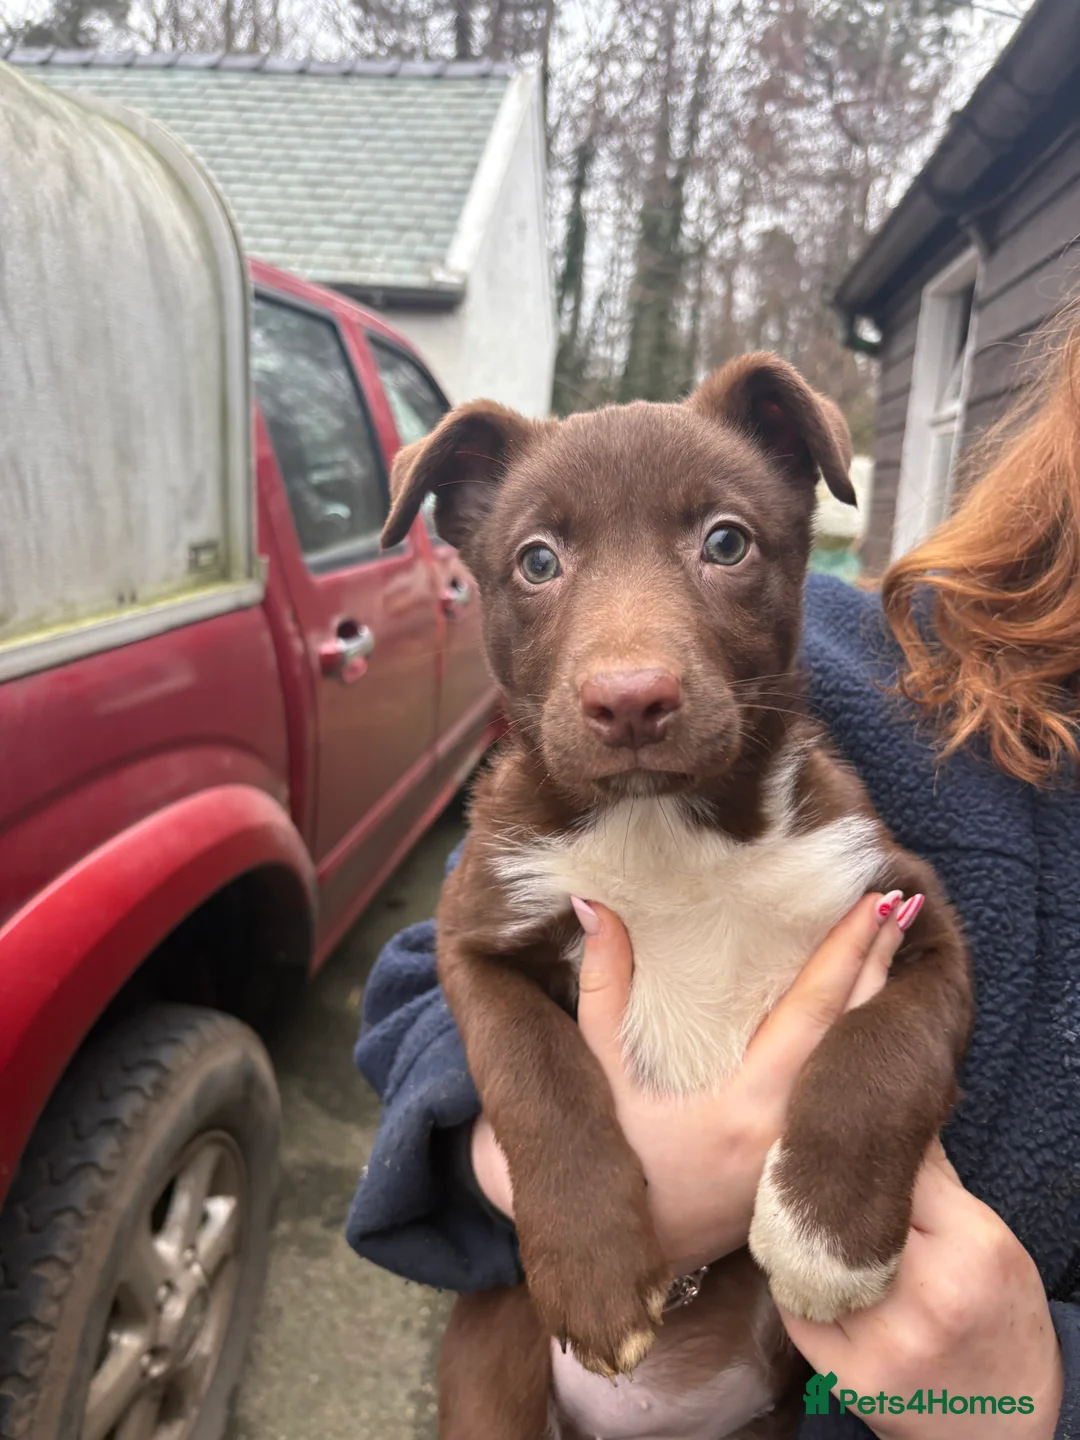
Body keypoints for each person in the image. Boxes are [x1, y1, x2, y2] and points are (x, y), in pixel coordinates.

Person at [345, 309, 1080, 1440]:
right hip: (531, 1373)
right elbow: (449, 967)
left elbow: (930, 956)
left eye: (723, 544)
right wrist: (542, 1164)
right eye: (540, 561)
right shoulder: (892, 661)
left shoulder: (833, 814)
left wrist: (1033, 1395)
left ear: (793, 517)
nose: (631, 670)